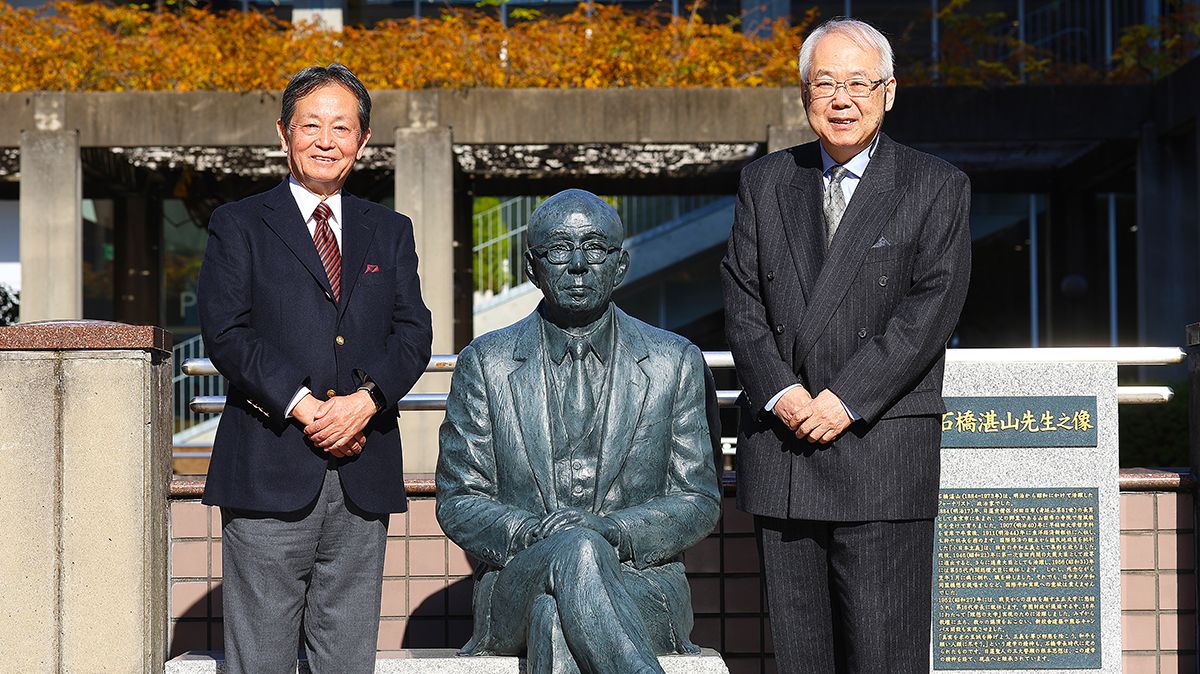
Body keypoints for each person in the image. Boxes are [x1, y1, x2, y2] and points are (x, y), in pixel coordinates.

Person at [720, 18, 972, 673]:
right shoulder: (765, 182)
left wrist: (844, 399)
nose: (842, 100)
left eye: (858, 83)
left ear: (889, 92)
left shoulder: (935, 186)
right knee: (801, 657)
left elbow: (930, 311)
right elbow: (742, 301)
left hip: (879, 447)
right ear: (804, 94)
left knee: (884, 655)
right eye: (826, 83)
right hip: (785, 448)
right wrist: (782, 392)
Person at [197, 63, 433, 674]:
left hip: (363, 470)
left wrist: (364, 402)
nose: (326, 141)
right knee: (261, 659)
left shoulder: (391, 230)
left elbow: (414, 334)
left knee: (348, 657)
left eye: (342, 127)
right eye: (311, 125)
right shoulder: (239, 224)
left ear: (363, 140)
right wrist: (306, 407)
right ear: (284, 133)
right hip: (268, 466)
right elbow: (227, 333)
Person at [436, 189, 721, 674]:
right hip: (517, 580)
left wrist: (612, 531)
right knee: (575, 551)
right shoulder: (486, 363)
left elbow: (698, 499)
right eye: (558, 250)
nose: (577, 265)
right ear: (532, 267)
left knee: (554, 616)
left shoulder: (674, 361)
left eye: (593, 248)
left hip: (639, 584)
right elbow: (458, 499)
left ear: (620, 264)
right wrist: (536, 535)